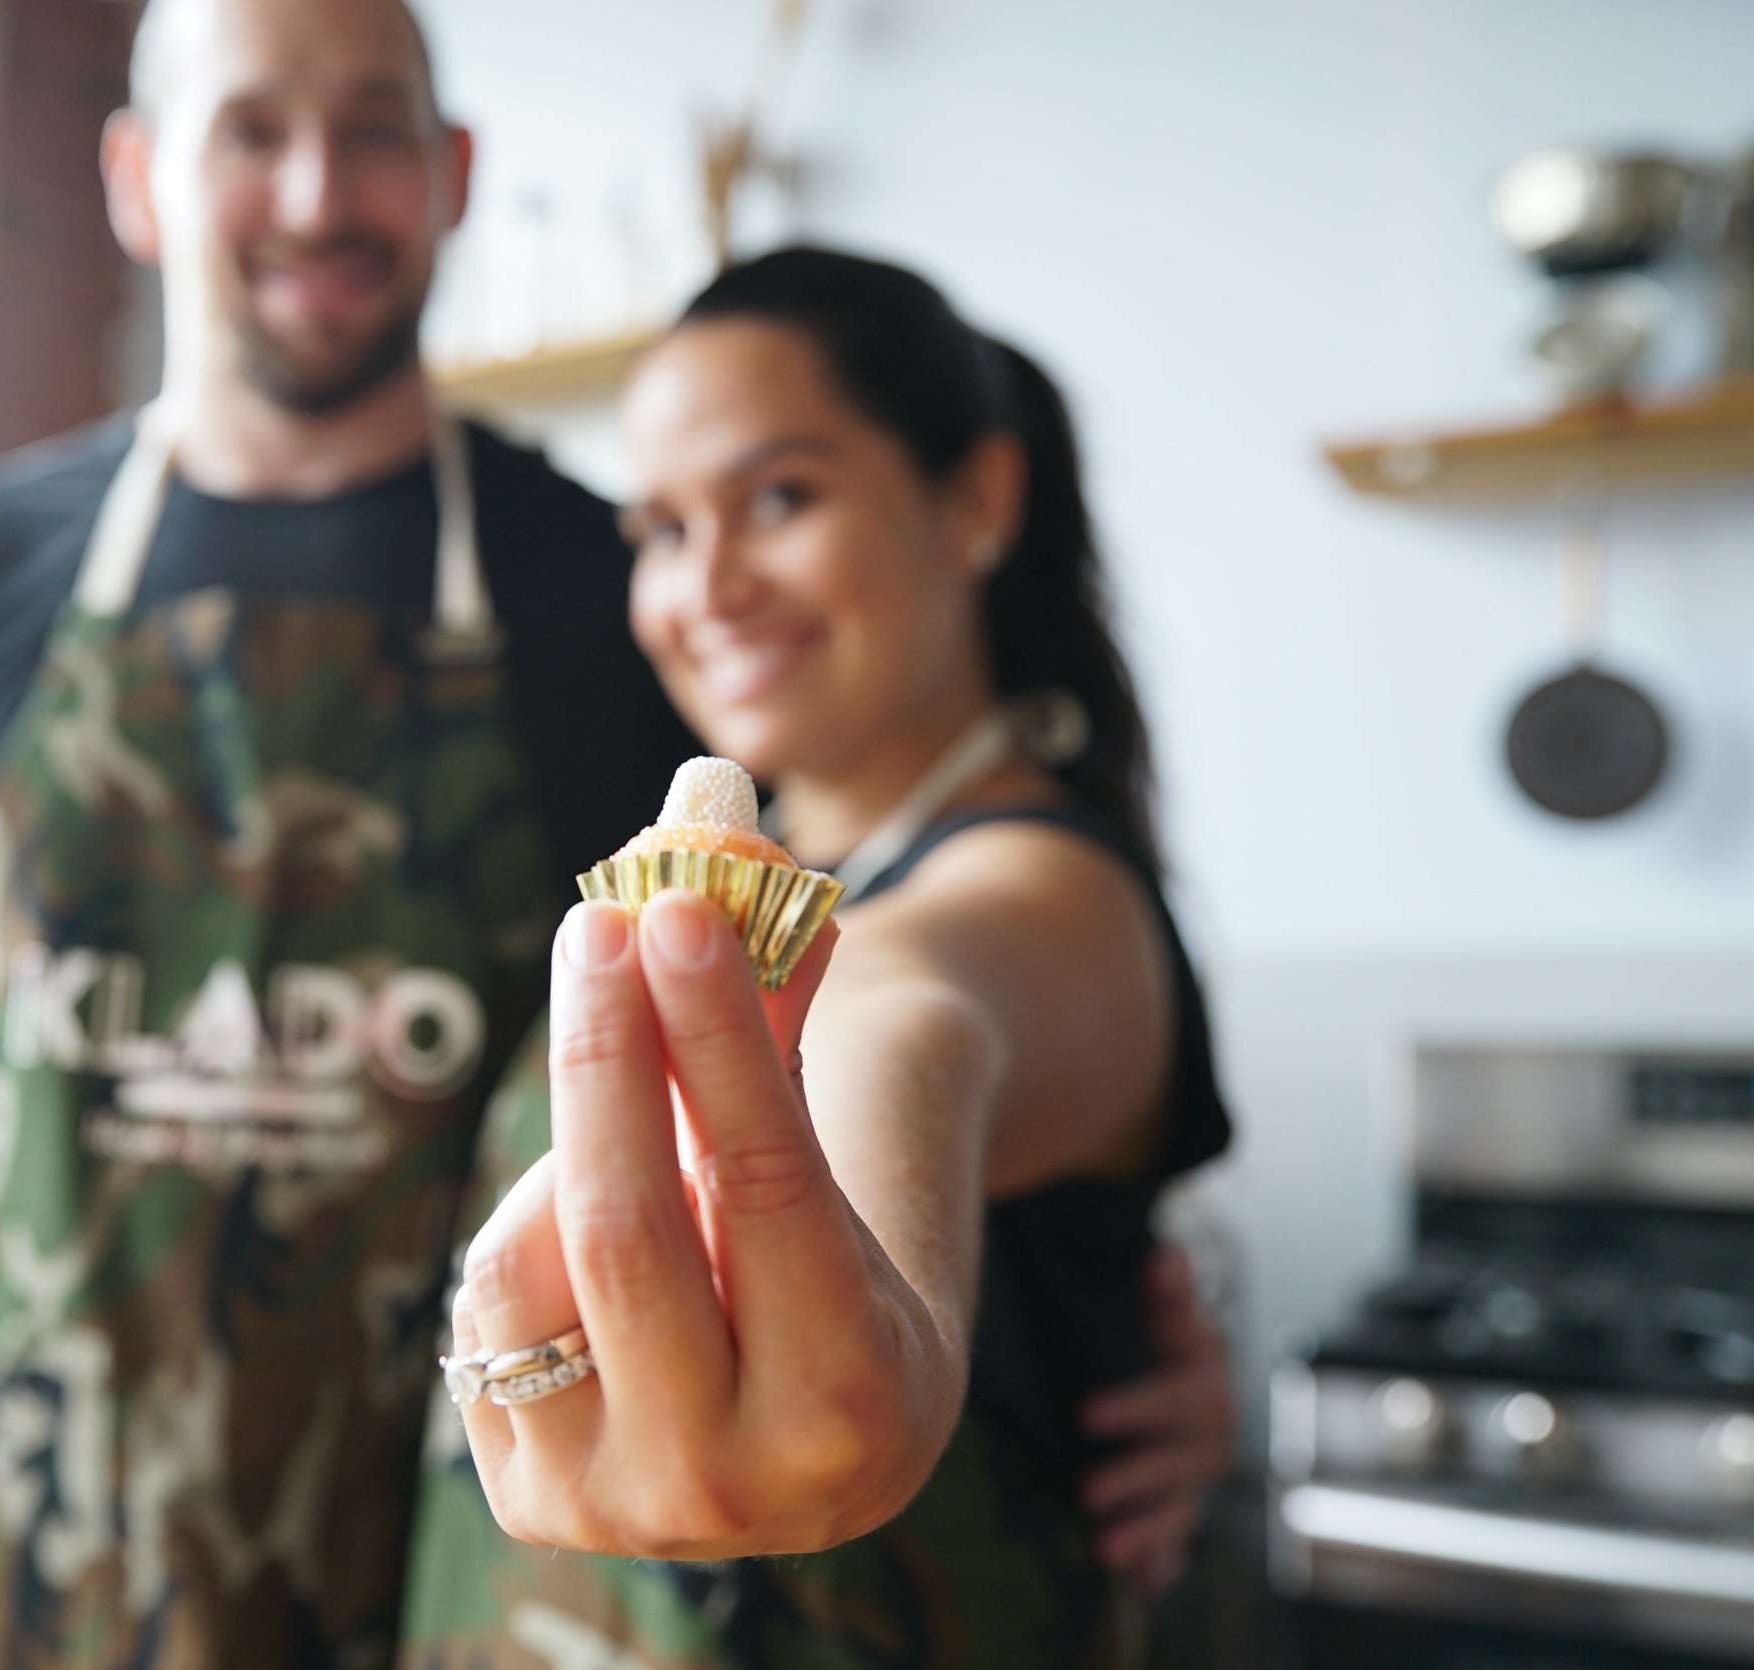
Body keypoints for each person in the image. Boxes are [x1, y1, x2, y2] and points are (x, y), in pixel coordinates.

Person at [0, 0, 1229, 1658]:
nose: (318, 190)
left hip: (429, 1565)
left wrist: (963, 1304)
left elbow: (871, 1002)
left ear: (456, 172)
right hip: (15, 1574)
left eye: (376, 130)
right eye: (250, 129)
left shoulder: (606, 615)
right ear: (135, 179)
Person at [400, 246, 1233, 1669]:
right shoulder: (727, 852)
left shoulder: (1041, 890)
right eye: (661, 526)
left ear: (974, 499)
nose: (708, 581)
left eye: (779, 497)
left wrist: (889, 1357)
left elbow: (902, 1015)